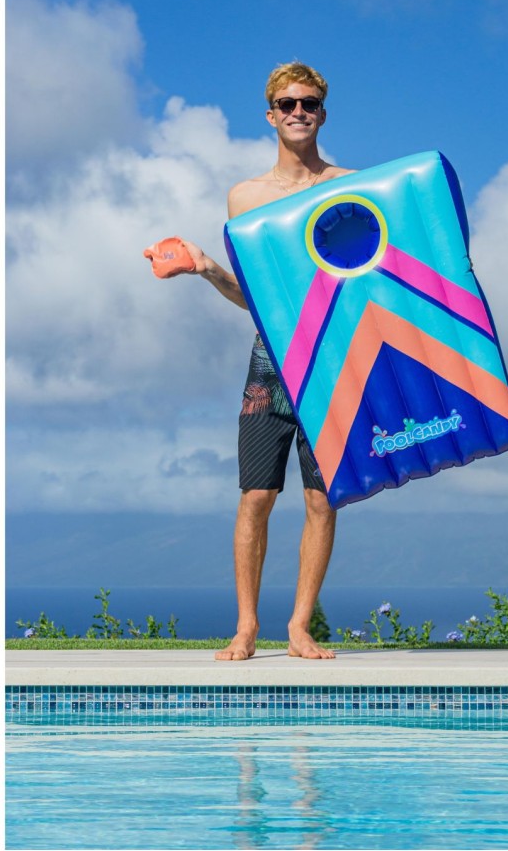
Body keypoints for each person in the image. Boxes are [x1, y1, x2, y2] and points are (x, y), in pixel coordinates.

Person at [164, 62, 355, 660]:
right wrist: (206, 268)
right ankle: (246, 627)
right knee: (256, 495)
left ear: (322, 112)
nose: (299, 112)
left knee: (322, 498)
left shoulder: (352, 185)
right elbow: (253, 295)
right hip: (270, 358)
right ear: (271, 114)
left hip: (333, 357)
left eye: (309, 103)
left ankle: (299, 626)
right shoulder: (245, 197)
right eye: (287, 104)